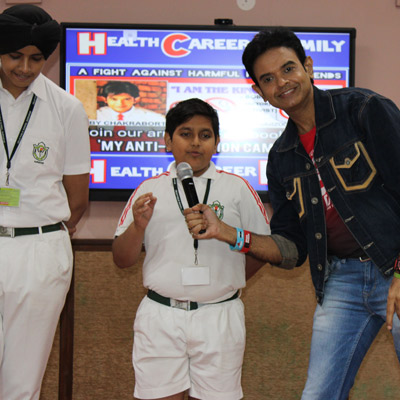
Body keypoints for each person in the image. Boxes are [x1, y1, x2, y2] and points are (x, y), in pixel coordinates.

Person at [184, 27, 400, 400]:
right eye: (268, 79)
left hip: (393, 265)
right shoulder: (281, 157)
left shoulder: (363, 109)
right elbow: (292, 248)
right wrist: (228, 233)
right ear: (259, 91)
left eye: (288, 69)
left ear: (308, 66)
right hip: (341, 281)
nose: (281, 83)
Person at [112, 98, 269, 400]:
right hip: (161, 315)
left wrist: (228, 279)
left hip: (219, 315)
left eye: (205, 135)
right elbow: (121, 259)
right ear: (168, 140)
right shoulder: (149, 189)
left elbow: (262, 248)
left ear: (217, 142)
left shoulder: (237, 188)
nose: (196, 142)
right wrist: (138, 227)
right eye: (186, 134)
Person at [0, 4, 90, 399]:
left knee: (22, 382)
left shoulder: (66, 108)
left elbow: (78, 199)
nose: (25, 67)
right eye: (14, 56)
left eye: (36, 58)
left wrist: (40, 232)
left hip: (40, 248)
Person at [96, 81, 165, 125]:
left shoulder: (152, 118)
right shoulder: (96, 115)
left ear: (135, 100)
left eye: (126, 99)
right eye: (114, 99)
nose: (120, 103)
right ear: (105, 99)